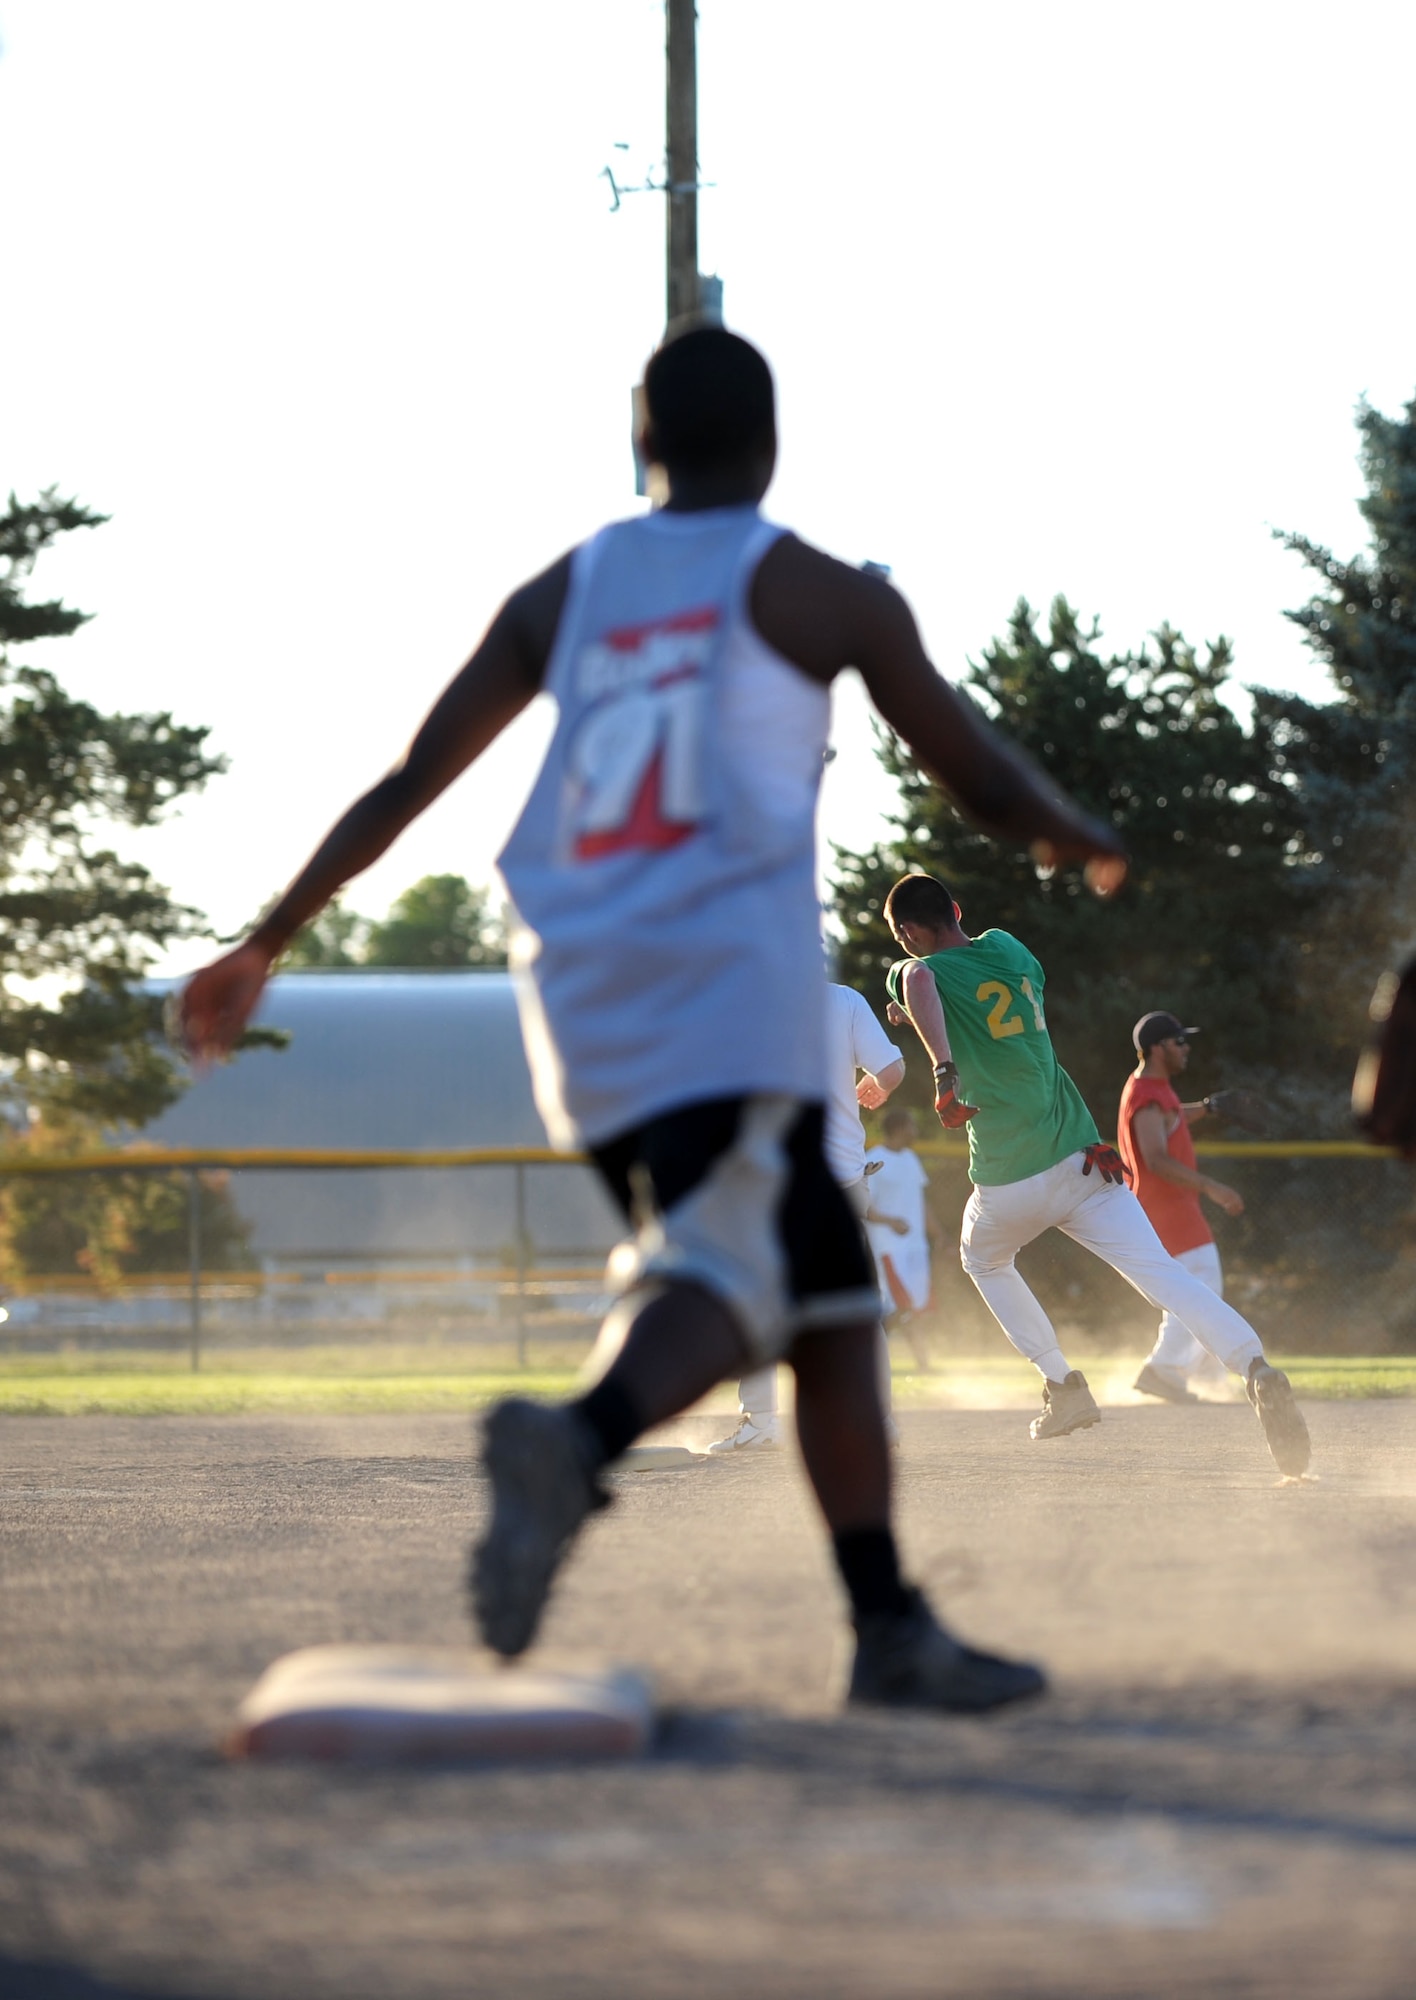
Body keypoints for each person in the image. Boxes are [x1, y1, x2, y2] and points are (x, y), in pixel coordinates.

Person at [176, 324, 1130, 1714]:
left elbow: (409, 780)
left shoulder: (567, 590)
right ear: (773, 446)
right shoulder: (813, 590)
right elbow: (978, 777)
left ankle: (886, 1625)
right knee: (742, 1278)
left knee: (823, 1298)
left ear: (640, 446)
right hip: (713, 983)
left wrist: (270, 937)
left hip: (572, 980)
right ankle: (580, 1439)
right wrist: (1074, 828)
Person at [882, 872, 1310, 1476]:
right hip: (1083, 1161)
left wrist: (944, 1069)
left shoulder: (918, 968)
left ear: (905, 932)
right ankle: (1256, 1367)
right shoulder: (1009, 949)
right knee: (1163, 1274)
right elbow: (963, 995)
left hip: (1011, 1177)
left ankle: (1063, 1385)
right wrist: (920, 1019)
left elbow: (924, 977)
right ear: (956, 907)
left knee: (984, 1261)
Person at [709, 980, 905, 1451]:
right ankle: (875, 1417)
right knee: (856, 1303)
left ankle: (762, 1419)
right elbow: (893, 1069)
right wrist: (876, 1086)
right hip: (843, 1178)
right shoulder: (844, 1000)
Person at [1118, 1011, 1242, 1404]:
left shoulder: (1153, 1088)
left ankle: (1204, 1375)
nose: (1186, 1048)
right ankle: (1164, 1369)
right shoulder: (1146, 1095)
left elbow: (1167, 1117)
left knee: (1199, 1290)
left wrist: (1207, 1108)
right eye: (1179, 1042)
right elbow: (1154, 1156)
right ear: (1158, 1048)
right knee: (1198, 1289)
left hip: (1168, 1207)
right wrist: (1211, 1187)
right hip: (1166, 1207)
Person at [866, 1106, 937, 1373]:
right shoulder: (874, 1159)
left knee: (915, 1306)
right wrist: (891, 1222)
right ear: (898, 1128)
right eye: (911, 1125)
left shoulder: (910, 1159)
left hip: (915, 1245)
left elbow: (922, 1201)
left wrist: (939, 1236)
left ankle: (922, 1362)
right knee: (894, 1305)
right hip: (888, 1246)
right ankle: (869, 1358)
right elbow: (862, 1205)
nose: (915, 1132)